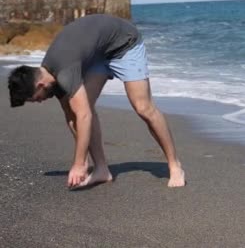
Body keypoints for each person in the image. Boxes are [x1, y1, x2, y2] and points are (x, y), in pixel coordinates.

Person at [7, 14, 186, 189]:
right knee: (78, 108)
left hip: (124, 44)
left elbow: (84, 116)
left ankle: (174, 165)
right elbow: (72, 117)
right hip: (98, 54)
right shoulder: (51, 75)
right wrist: (82, 159)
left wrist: (77, 165)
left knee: (143, 107)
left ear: (40, 84)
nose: (39, 102)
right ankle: (101, 169)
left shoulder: (65, 74)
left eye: (35, 99)